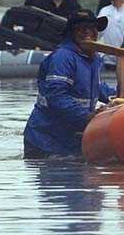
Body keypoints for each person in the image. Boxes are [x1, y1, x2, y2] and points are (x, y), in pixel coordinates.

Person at [23, 9, 117, 158]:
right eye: (81, 29)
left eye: (92, 28)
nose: (88, 33)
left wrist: (120, 97)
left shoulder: (93, 57)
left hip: (70, 139)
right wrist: (89, 117)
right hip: (46, 140)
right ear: (71, 32)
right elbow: (57, 97)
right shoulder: (62, 58)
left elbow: (96, 87)